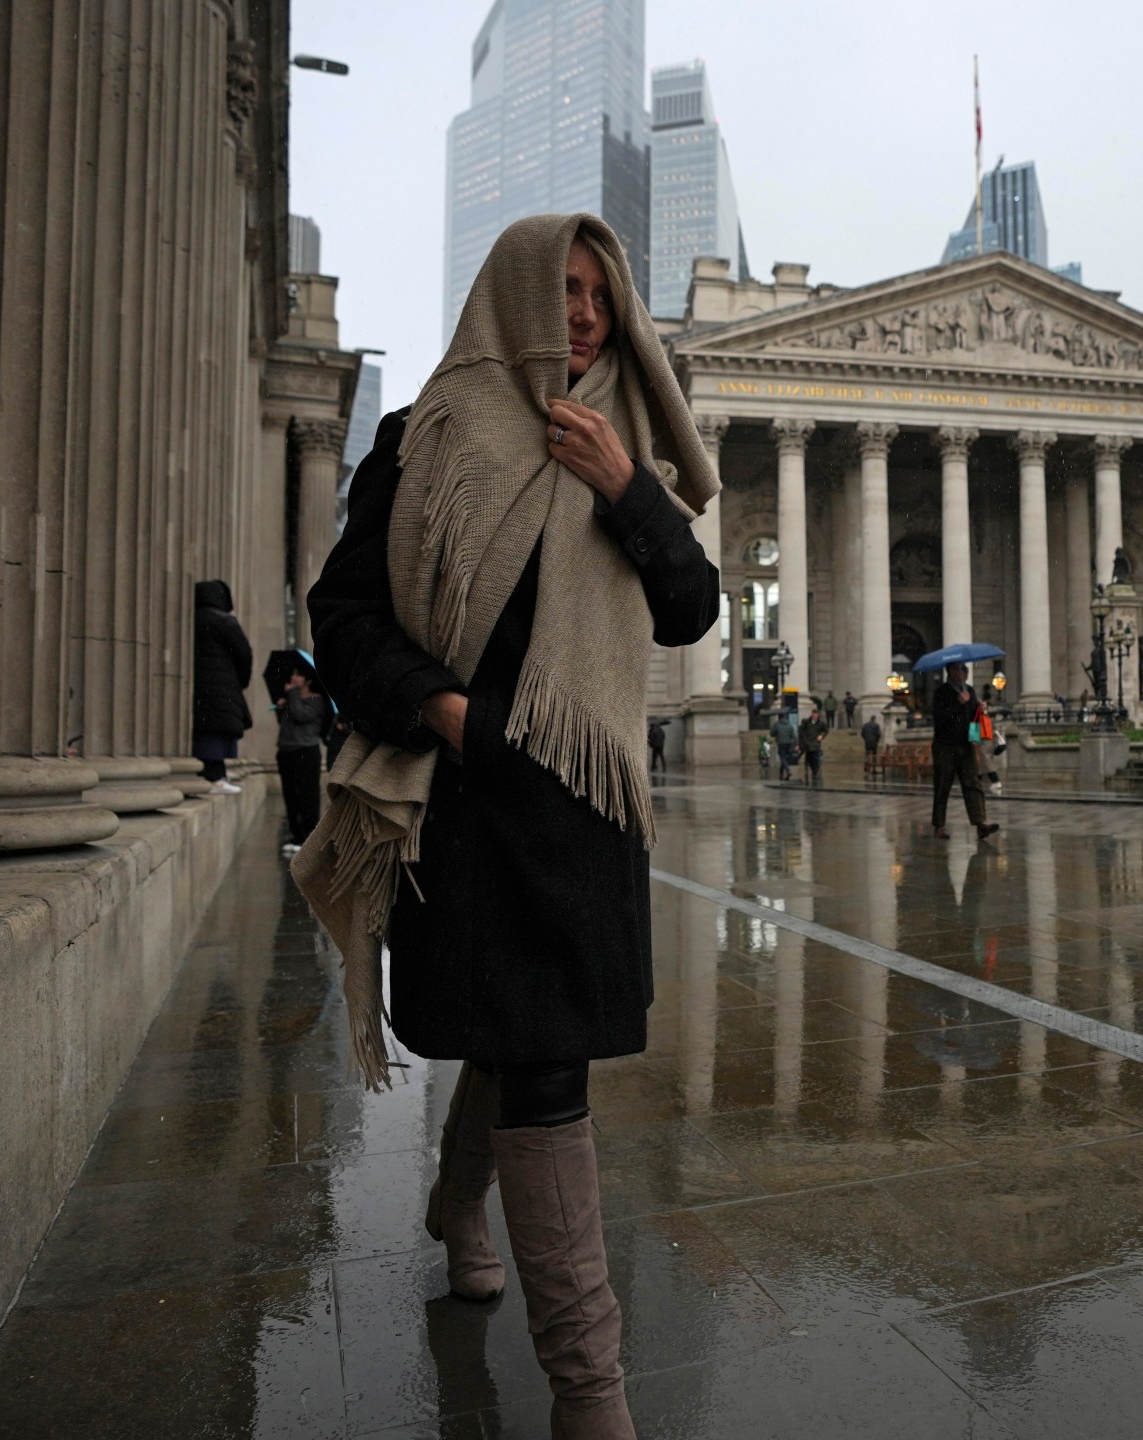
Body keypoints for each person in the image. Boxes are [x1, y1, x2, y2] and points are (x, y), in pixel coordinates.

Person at [300, 212, 719, 1440]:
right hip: (473, 804)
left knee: (540, 1053)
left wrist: (627, 491)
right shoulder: (420, 437)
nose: (583, 311)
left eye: (599, 292)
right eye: (563, 288)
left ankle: (505, 1275)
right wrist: (445, 712)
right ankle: (575, 1372)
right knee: (522, 1049)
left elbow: (690, 608)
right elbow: (345, 611)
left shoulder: (624, 443)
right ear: (515, 296)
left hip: (583, 810)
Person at [192, 579, 252, 795]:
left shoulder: (191, 620)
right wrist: (240, 682)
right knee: (216, 733)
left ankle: (211, 775)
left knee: (204, 732)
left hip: (198, 689)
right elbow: (244, 654)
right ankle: (216, 777)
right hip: (222, 690)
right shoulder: (225, 621)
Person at [929, 660, 998, 840]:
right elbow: (940, 719)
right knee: (943, 785)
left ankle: (980, 823)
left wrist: (980, 710)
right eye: (959, 669)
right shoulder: (941, 693)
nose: (963, 673)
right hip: (945, 746)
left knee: (973, 784)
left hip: (965, 745)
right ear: (950, 672)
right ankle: (939, 826)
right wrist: (958, 704)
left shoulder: (970, 691)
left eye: (965, 670)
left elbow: (973, 717)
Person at [275, 670, 329, 853]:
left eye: (298, 675)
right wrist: (283, 705)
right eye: (293, 674)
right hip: (286, 751)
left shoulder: (317, 700)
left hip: (305, 752)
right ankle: (296, 836)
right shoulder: (293, 698)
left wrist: (291, 696)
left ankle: (307, 838)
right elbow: (287, 722)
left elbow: (300, 715)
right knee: (290, 796)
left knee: (307, 796)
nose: (293, 677)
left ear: (308, 680)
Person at [799, 702, 827, 788]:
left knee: (815, 758)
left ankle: (815, 771)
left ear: (818, 715)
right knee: (809, 757)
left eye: (816, 715)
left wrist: (821, 736)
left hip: (815, 744)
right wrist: (803, 741)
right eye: (813, 714)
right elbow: (802, 732)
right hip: (807, 744)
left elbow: (825, 731)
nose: (814, 716)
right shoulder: (807, 722)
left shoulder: (820, 723)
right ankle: (810, 769)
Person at [770, 705, 801, 783]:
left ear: (779, 717)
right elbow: (794, 735)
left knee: (782, 758)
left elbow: (772, 733)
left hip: (781, 743)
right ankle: (781, 774)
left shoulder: (777, 724)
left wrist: (776, 734)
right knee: (784, 758)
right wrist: (797, 744)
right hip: (788, 743)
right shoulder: (789, 725)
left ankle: (787, 770)